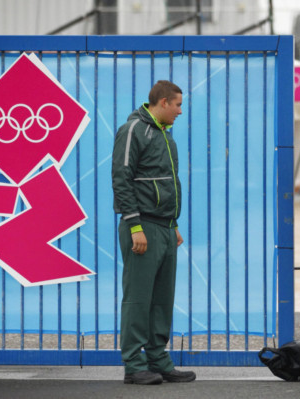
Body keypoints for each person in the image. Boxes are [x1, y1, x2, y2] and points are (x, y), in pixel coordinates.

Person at [111, 80, 196, 385]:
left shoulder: (165, 135)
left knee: (161, 298)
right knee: (138, 298)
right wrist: (135, 226)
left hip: (164, 228)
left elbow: (166, 183)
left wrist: (172, 225)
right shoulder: (134, 129)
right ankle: (134, 365)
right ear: (162, 103)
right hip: (142, 226)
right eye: (177, 105)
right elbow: (121, 178)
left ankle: (158, 360)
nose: (180, 111)